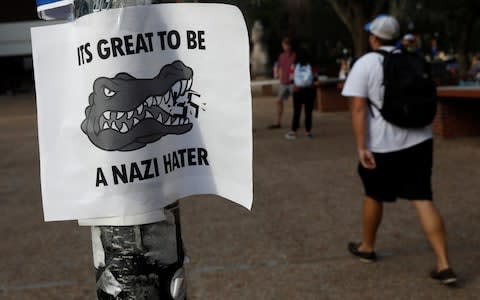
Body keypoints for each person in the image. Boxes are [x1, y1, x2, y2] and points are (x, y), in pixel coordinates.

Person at [341, 15, 457, 285]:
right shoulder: (414, 60)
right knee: (423, 198)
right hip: (420, 140)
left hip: (382, 145)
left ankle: (367, 247)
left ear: (373, 38)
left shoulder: (366, 63)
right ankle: (443, 263)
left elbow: (358, 108)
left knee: (374, 195)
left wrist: (361, 147)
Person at [285, 50, 316, 140]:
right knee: (308, 112)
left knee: (297, 112)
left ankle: (294, 131)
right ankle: (308, 131)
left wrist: (295, 86)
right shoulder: (311, 66)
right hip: (309, 91)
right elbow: (315, 78)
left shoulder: (294, 66)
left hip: (297, 91)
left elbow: (291, 78)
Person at [268, 37, 296, 129]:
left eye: (287, 45)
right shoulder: (281, 56)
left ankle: (296, 121)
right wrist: (279, 76)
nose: (286, 47)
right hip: (283, 82)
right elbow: (279, 67)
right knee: (279, 101)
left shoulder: (295, 56)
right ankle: (278, 121)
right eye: (284, 45)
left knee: (296, 101)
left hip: (292, 82)